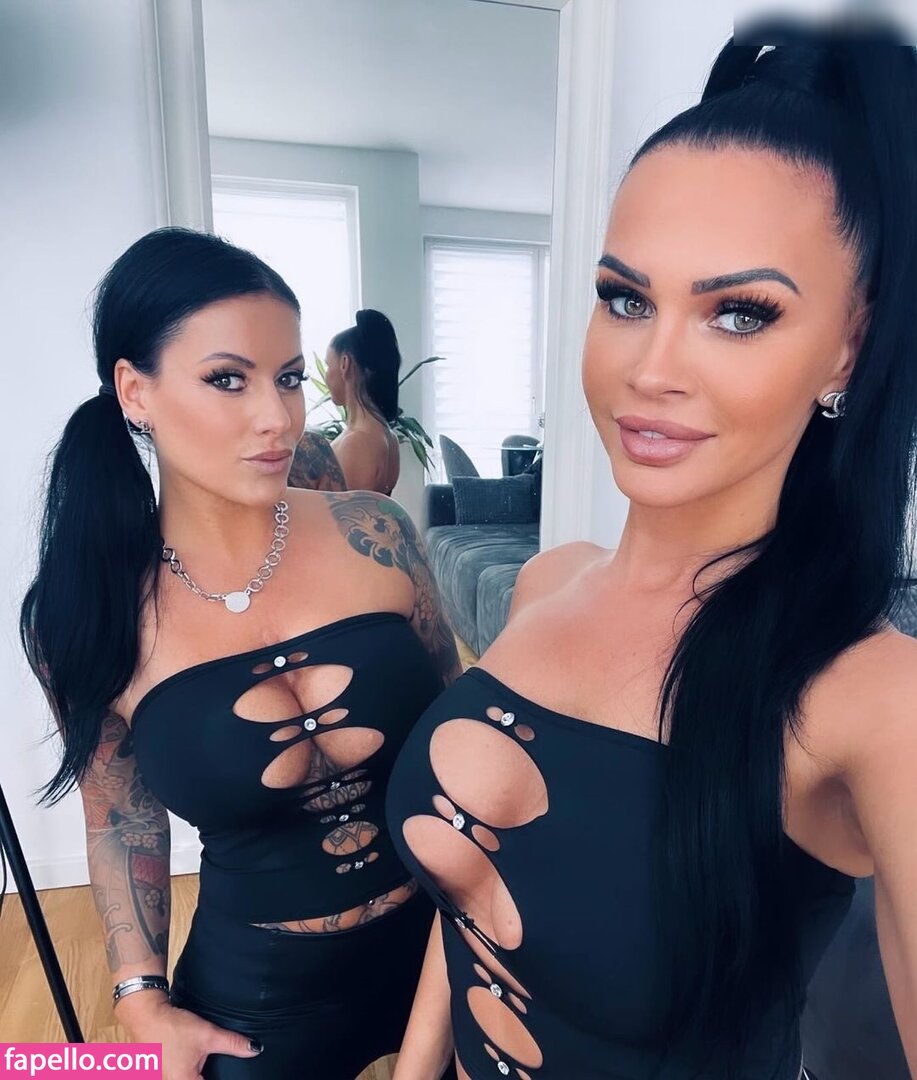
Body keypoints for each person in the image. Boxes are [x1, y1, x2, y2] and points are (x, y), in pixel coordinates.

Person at [385, 21, 917, 1080]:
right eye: (625, 299)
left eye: (739, 315)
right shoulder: (545, 582)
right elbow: (471, 893)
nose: (650, 369)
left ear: (848, 348)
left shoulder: (871, 699)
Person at [20, 227, 462, 1080]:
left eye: (289, 377)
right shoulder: (89, 612)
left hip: (441, 944)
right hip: (260, 994)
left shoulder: (375, 536)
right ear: (135, 391)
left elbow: (458, 729)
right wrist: (140, 999)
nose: (278, 417)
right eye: (228, 378)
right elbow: (120, 816)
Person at [325, 309, 403, 495]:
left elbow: (345, 513)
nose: (326, 375)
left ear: (345, 364)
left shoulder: (356, 443)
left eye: (328, 365)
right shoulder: (388, 436)